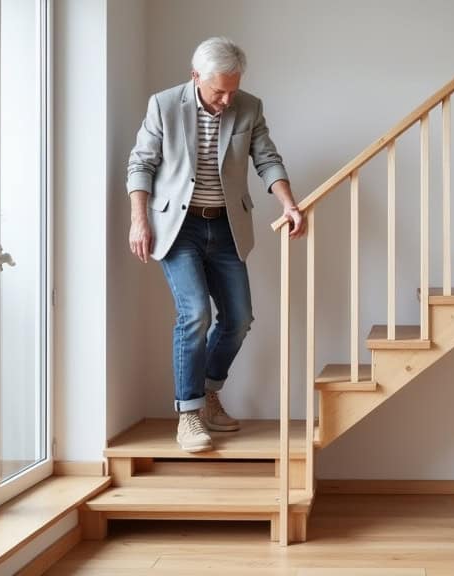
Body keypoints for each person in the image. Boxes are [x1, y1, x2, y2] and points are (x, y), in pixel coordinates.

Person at [126, 37, 306, 453]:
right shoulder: (164, 104)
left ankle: (208, 391)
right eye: (218, 90)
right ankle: (189, 414)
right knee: (194, 315)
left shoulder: (249, 106)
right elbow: (142, 163)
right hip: (178, 227)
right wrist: (139, 221)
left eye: (233, 89)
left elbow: (267, 158)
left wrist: (289, 204)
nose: (227, 99)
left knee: (239, 318)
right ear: (196, 77)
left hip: (226, 226)